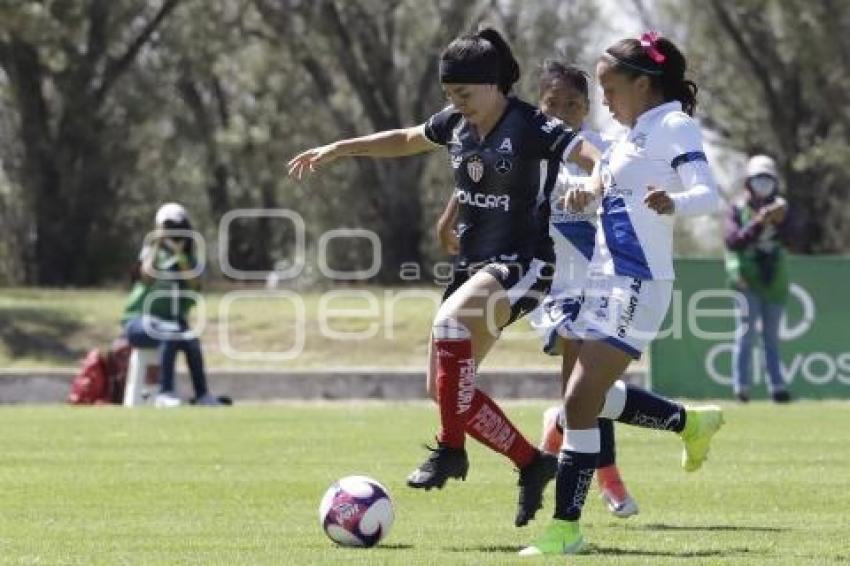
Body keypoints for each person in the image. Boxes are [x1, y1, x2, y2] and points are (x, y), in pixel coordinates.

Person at [288, 27, 599, 528]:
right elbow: (408, 138)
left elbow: (588, 152)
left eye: (465, 94)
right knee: (445, 390)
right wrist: (341, 148)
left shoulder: (532, 125)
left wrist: (598, 177)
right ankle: (532, 462)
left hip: (524, 263)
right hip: (472, 266)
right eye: (450, 95)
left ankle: (451, 451)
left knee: (450, 325)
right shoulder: (455, 124)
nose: (458, 104)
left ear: (495, 84)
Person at [521, 32, 725, 556]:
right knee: (586, 399)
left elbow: (708, 193)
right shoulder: (630, 136)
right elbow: (612, 185)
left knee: (576, 402)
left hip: (639, 282)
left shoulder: (673, 125)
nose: (604, 99)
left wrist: (673, 202)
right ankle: (690, 421)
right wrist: (589, 189)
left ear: (644, 83)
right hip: (603, 283)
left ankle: (566, 530)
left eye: (611, 88)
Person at [436, 60, 638, 519]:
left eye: (574, 104)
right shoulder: (531, 140)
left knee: (583, 392)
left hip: (595, 284)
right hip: (551, 283)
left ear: (587, 107)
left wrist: (593, 185)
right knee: (581, 394)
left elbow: (610, 178)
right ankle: (608, 467)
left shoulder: (598, 149)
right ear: (540, 104)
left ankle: (592, 471)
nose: (564, 112)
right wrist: (451, 216)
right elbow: (480, 168)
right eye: (554, 103)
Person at [121, 203, 221, 408]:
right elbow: (146, 276)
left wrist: (180, 253)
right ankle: (165, 393)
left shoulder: (190, 261)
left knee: (191, 340)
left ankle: (202, 395)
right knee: (169, 333)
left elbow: (195, 283)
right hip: (137, 322)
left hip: (171, 322)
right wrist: (158, 243)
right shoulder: (150, 253)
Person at [725, 154, 792, 403]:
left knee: (771, 338)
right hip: (746, 279)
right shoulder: (737, 208)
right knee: (745, 335)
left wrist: (782, 221)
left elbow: (793, 240)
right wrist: (759, 221)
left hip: (775, 280)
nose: (763, 184)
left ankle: (778, 388)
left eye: (768, 179)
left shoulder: (784, 208)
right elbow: (732, 241)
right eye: (758, 179)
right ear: (748, 182)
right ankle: (741, 389)